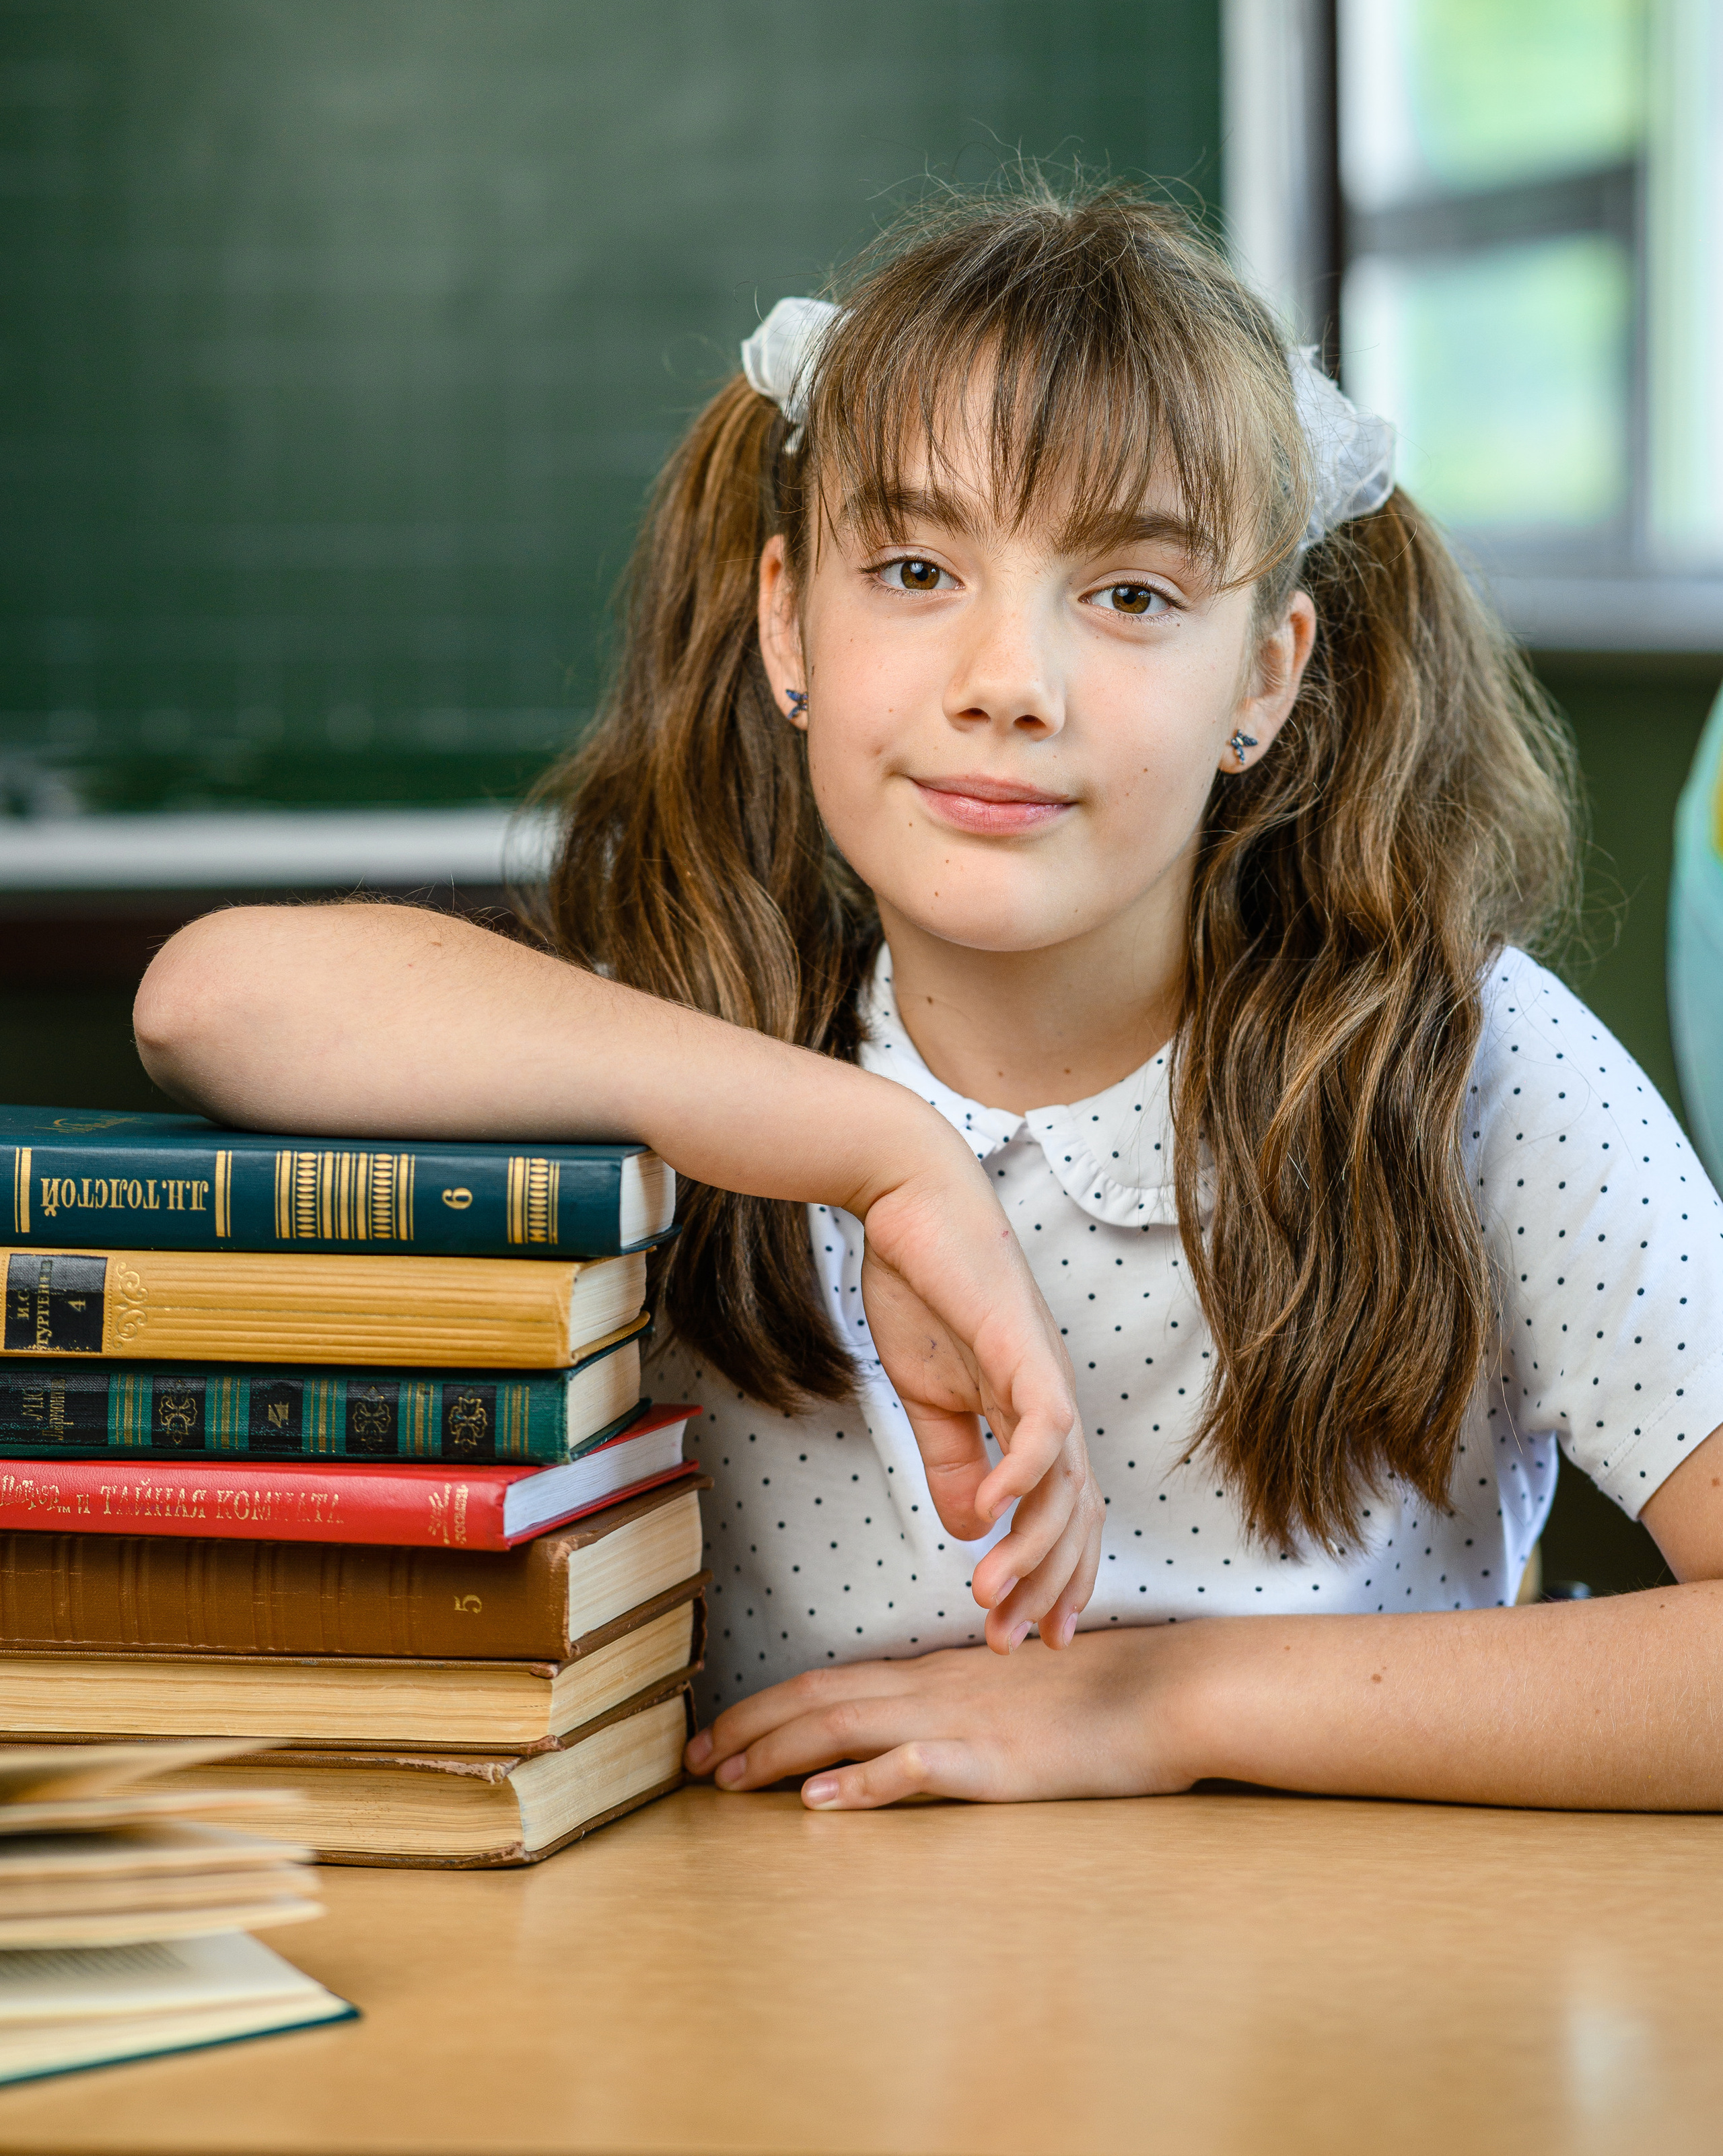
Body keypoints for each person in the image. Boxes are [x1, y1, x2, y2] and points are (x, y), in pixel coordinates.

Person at [135, 181, 1723, 1813]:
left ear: (1265, 676)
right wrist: (879, 1151)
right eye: (910, 567)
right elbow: (207, 1000)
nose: (1005, 685)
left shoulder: (1458, 1059)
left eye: (1130, 597)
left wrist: (1158, 1703)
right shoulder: (708, 1052)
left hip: (1324, 2016)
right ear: (784, 623)